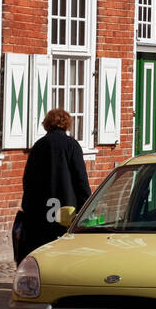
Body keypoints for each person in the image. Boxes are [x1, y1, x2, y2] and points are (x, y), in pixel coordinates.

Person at [15, 108, 91, 262]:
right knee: (66, 248)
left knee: (43, 248)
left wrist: (27, 206)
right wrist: (88, 205)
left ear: (47, 124)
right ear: (67, 124)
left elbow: (28, 179)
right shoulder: (72, 145)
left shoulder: (39, 145)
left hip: (41, 209)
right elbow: (80, 179)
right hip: (67, 209)